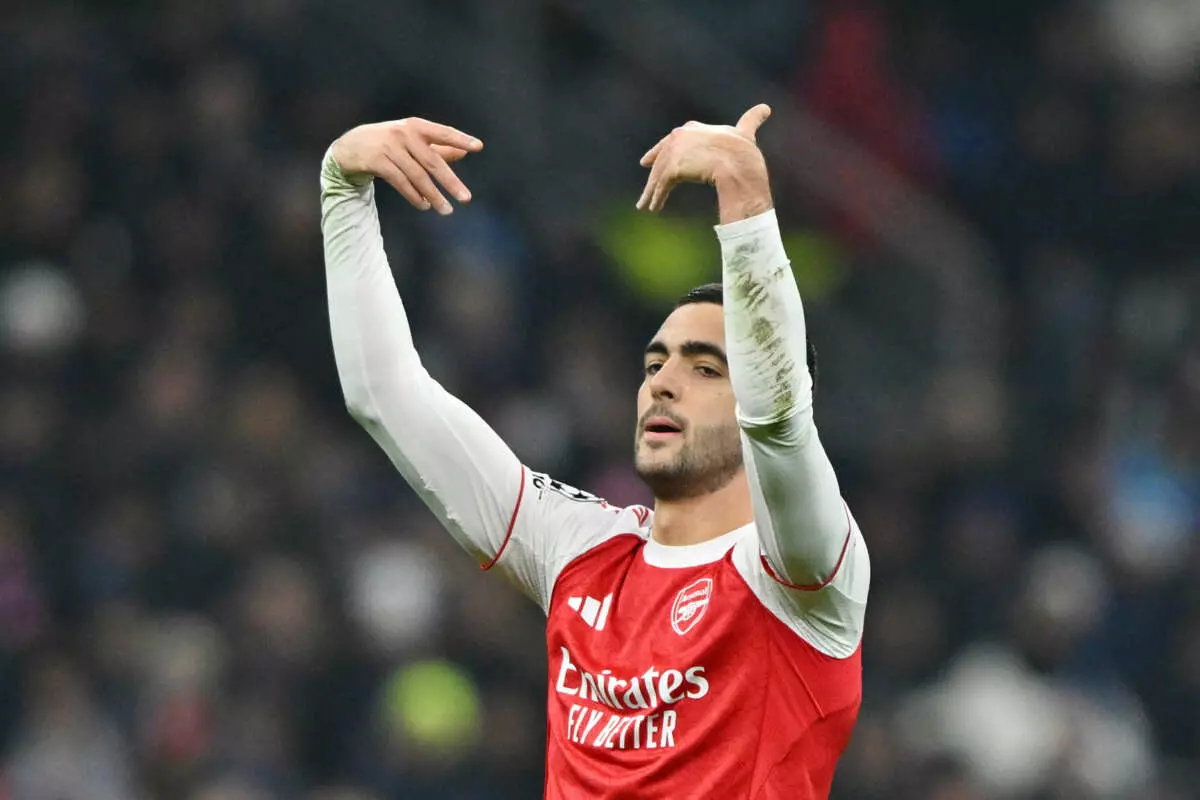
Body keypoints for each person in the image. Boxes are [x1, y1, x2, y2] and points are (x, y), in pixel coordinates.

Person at [320, 104, 869, 799]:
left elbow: (780, 421)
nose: (663, 382)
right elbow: (385, 394)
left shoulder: (803, 576)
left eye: (705, 367)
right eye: (655, 363)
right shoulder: (579, 549)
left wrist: (744, 199)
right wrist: (342, 187)